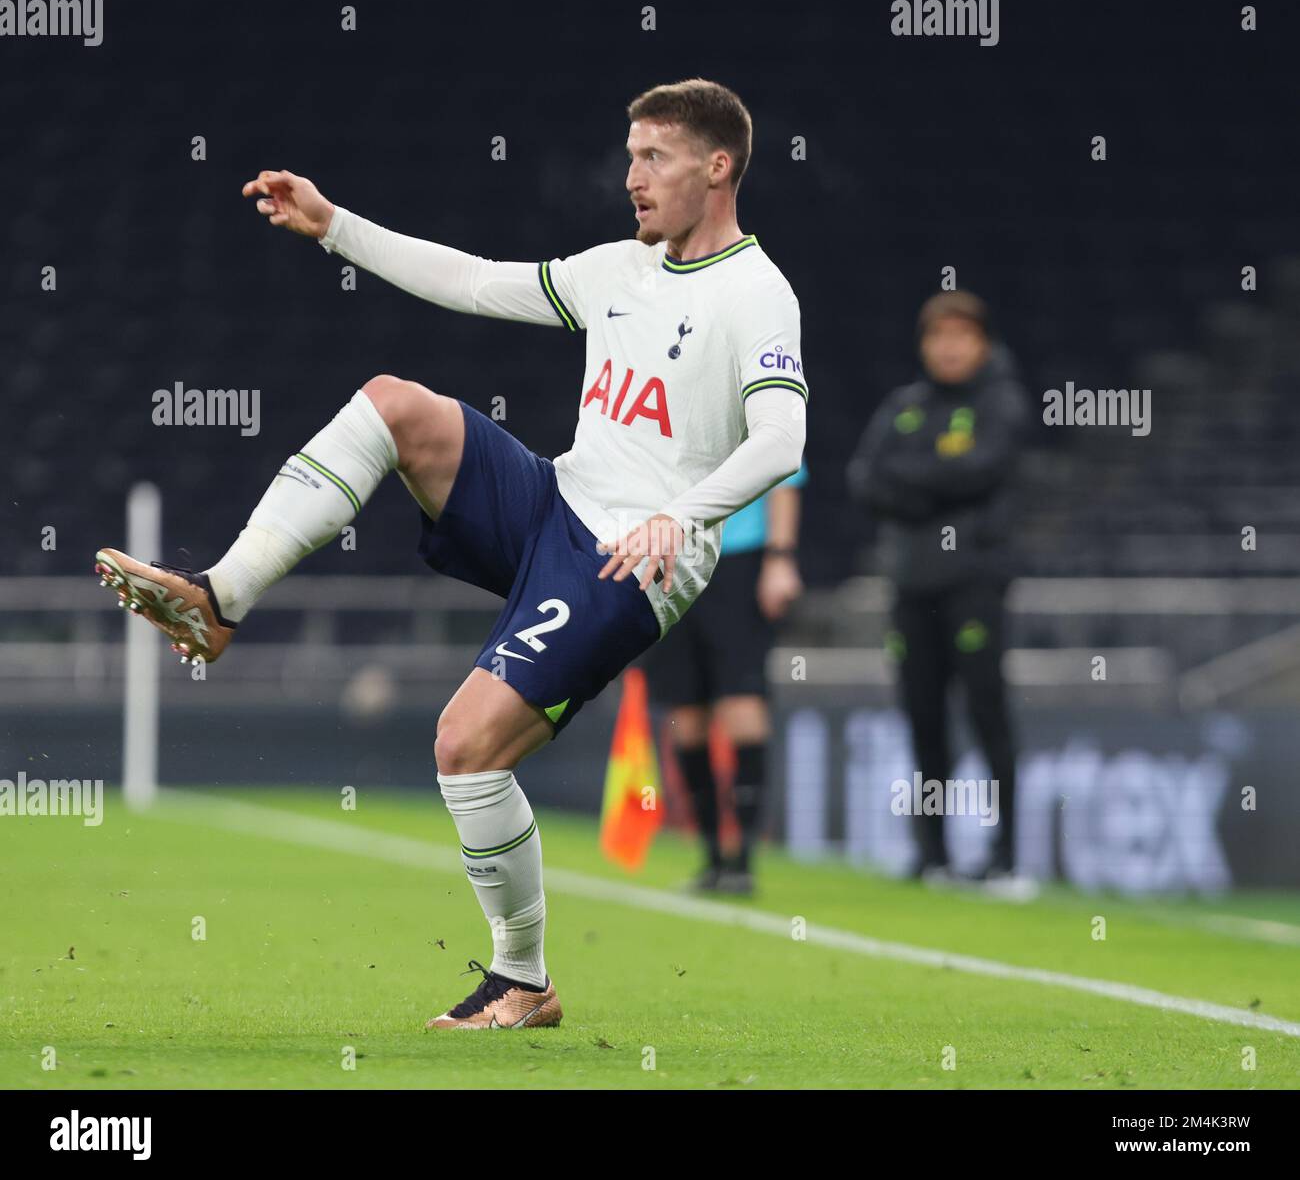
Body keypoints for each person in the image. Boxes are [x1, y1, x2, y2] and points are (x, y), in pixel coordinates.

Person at [94, 78, 808, 1028]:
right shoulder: (617, 270)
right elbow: (471, 279)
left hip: (630, 564)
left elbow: (781, 440)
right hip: (557, 500)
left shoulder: (756, 293)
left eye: (653, 157)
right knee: (394, 402)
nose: (630, 176)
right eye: (630, 154)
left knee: (463, 748)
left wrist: (684, 515)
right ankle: (220, 599)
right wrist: (333, 224)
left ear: (718, 167)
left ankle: (522, 980)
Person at [846, 291, 1028, 890]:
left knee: (986, 711)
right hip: (911, 585)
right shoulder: (905, 406)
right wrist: (938, 486)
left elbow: (981, 469)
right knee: (922, 716)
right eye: (937, 338)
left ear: (984, 343)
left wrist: (915, 481)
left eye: (960, 337)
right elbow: (864, 477)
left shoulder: (1001, 401)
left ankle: (1006, 856)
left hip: (975, 582)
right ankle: (934, 854)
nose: (947, 349)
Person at [639, 461, 806, 896]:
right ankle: (712, 856)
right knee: (685, 717)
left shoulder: (746, 396)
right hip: (671, 559)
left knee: (742, 704)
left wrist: (780, 558)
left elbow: (783, 474)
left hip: (739, 561)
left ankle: (743, 860)